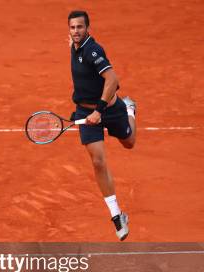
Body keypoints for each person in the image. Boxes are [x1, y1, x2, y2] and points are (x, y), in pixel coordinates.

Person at [68, 10, 137, 240]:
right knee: (98, 161)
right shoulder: (75, 45)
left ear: (88, 28)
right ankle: (117, 216)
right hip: (84, 112)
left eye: (80, 27)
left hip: (109, 109)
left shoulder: (92, 50)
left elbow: (113, 79)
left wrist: (99, 110)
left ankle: (129, 110)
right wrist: (86, 109)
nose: (76, 31)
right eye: (72, 27)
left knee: (129, 143)